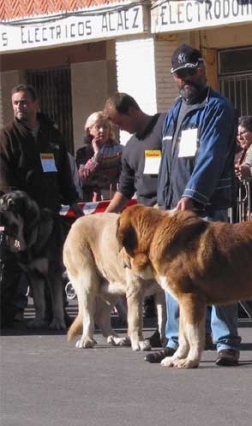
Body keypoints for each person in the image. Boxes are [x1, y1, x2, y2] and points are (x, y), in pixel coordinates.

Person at [147, 43, 241, 366]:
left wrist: (193, 195)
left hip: (206, 207)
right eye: (180, 74)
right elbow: (167, 162)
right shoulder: (174, 112)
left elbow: (211, 156)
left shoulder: (219, 108)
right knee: (175, 277)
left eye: (191, 71)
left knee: (218, 273)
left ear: (203, 69)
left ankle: (226, 341)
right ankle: (176, 341)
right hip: (173, 210)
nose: (186, 79)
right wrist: (162, 200)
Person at [0, 84, 83, 326]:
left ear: (36, 104)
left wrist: (73, 201)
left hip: (49, 216)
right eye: (15, 103)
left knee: (53, 266)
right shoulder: (6, 135)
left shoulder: (52, 134)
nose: (19, 107)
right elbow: (3, 177)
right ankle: (8, 313)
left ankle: (56, 313)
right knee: (15, 265)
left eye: (24, 102)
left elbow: (64, 173)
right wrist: (14, 203)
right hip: (18, 218)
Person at [103, 93, 165, 212]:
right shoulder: (129, 148)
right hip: (146, 215)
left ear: (131, 111)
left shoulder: (166, 125)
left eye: (120, 123)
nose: (120, 129)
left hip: (170, 210)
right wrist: (106, 215)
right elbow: (125, 188)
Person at [75, 112, 123, 202]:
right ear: (89, 130)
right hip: (90, 202)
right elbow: (83, 177)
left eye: (105, 127)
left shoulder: (120, 151)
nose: (102, 130)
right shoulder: (82, 153)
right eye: (98, 127)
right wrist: (96, 156)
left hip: (113, 199)